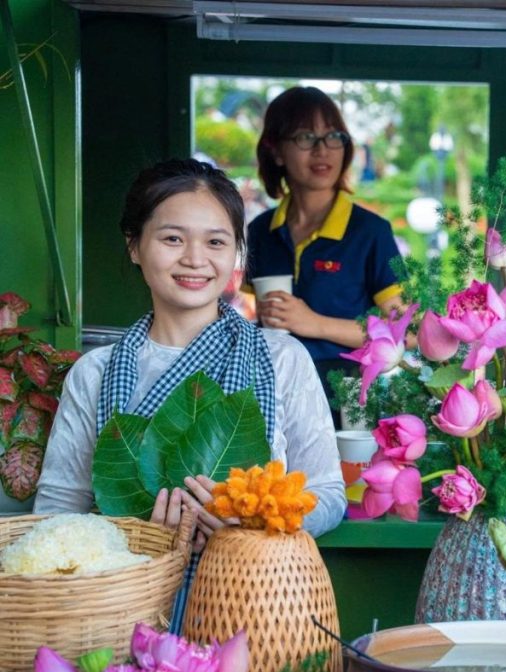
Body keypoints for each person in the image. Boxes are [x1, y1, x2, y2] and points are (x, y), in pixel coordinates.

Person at [34, 158, 346, 628]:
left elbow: (326, 492)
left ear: (236, 253)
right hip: (121, 616)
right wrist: (133, 536)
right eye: (172, 238)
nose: (196, 259)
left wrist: (255, 523)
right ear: (135, 246)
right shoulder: (95, 373)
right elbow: (56, 516)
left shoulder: (282, 360)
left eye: (216, 242)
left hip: (258, 610)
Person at [246, 86, 404, 418]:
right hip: (271, 387)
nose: (323, 150)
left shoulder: (371, 231)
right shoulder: (261, 231)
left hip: (345, 393)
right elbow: (254, 314)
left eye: (333, 136)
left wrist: (314, 324)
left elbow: (406, 330)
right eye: (305, 137)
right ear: (276, 150)